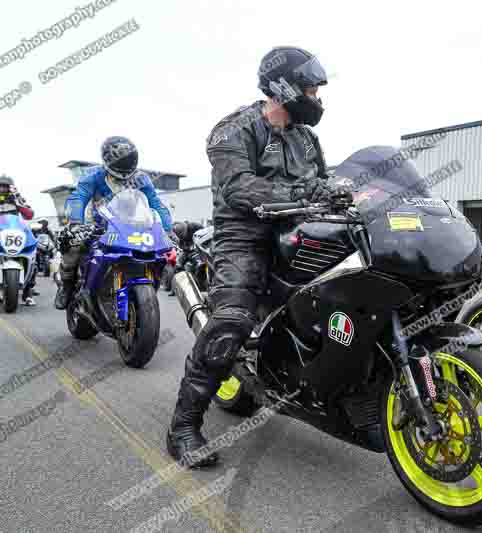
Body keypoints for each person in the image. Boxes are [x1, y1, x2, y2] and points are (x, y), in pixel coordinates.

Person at [166, 46, 351, 467]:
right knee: (231, 322)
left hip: (301, 231)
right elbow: (238, 190)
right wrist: (310, 192)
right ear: (284, 87)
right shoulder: (235, 130)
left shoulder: (307, 138)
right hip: (244, 235)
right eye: (311, 89)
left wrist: (341, 191)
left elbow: (323, 182)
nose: (317, 98)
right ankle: (184, 426)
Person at [54, 136, 174, 310]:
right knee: (72, 247)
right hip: (97, 225)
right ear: (107, 161)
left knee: (160, 252)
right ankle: (66, 286)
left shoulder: (142, 179)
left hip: (133, 227)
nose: (124, 173)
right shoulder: (93, 175)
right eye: (120, 166)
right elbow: (78, 197)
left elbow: (155, 203)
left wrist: (168, 229)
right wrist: (75, 223)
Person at [0, 176, 37, 305]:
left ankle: (28, 293)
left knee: (32, 256)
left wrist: (17, 197)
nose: (2, 189)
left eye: (5, 186)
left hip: (15, 233)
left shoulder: (17, 198)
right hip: (0, 233)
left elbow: (29, 215)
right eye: (0, 186)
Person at [167, 220, 205, 296]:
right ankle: (174, 289)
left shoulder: (194, 226)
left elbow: (205, 232)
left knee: (199, 265)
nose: (182, 236)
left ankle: (200, 288)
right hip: (186, 250)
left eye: (182, 233)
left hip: (197, 250)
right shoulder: (176, 236)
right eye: (179, 235)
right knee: (177, 267)